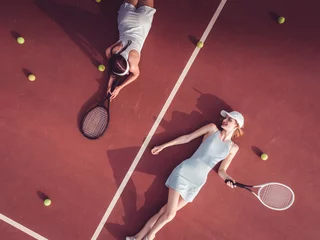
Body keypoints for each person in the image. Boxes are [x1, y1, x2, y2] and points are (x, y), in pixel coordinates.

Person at [126, 110, 245, 240]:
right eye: (226, 117)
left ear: (236, 126)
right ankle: (150, 236)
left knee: (164, 212)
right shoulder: (212, 129)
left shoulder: (233, 148)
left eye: (230, 119)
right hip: (184, 172)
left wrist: (228, 179)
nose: (225, 120)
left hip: (198, 182)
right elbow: (187, 138)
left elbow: (221, 170)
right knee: (170, 215)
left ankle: (137, 238)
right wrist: (164, 145)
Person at [105, 0, 156, 100]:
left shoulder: (132, 65)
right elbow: (113, 66)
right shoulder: (110, 51)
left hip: (143, 22)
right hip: (126, 19)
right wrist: (109, 86)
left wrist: (120, 87)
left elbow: (135, 75)